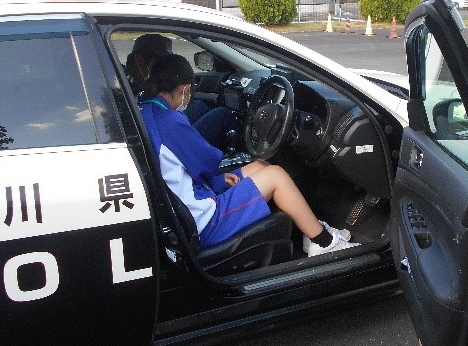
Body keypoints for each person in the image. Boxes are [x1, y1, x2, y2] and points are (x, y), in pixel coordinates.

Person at [140, 53, 358, 256]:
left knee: (260, 166)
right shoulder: (169, 121)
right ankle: (325, 243)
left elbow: (183, 166)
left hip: (183, 203)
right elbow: (207, 162)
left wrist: (218, 180)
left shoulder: (147, 111)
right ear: (186, 89)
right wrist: (215, 175)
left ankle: (312, 229)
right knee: (277, 175)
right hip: (203, 221)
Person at [129, 33, 237, 151]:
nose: (166, 65)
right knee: (222, 114)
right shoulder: (124, 85)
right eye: (160, 60)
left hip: (156, 124)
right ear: (139, 61)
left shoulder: (132, 78)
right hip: (161, 132)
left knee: (199, 106)